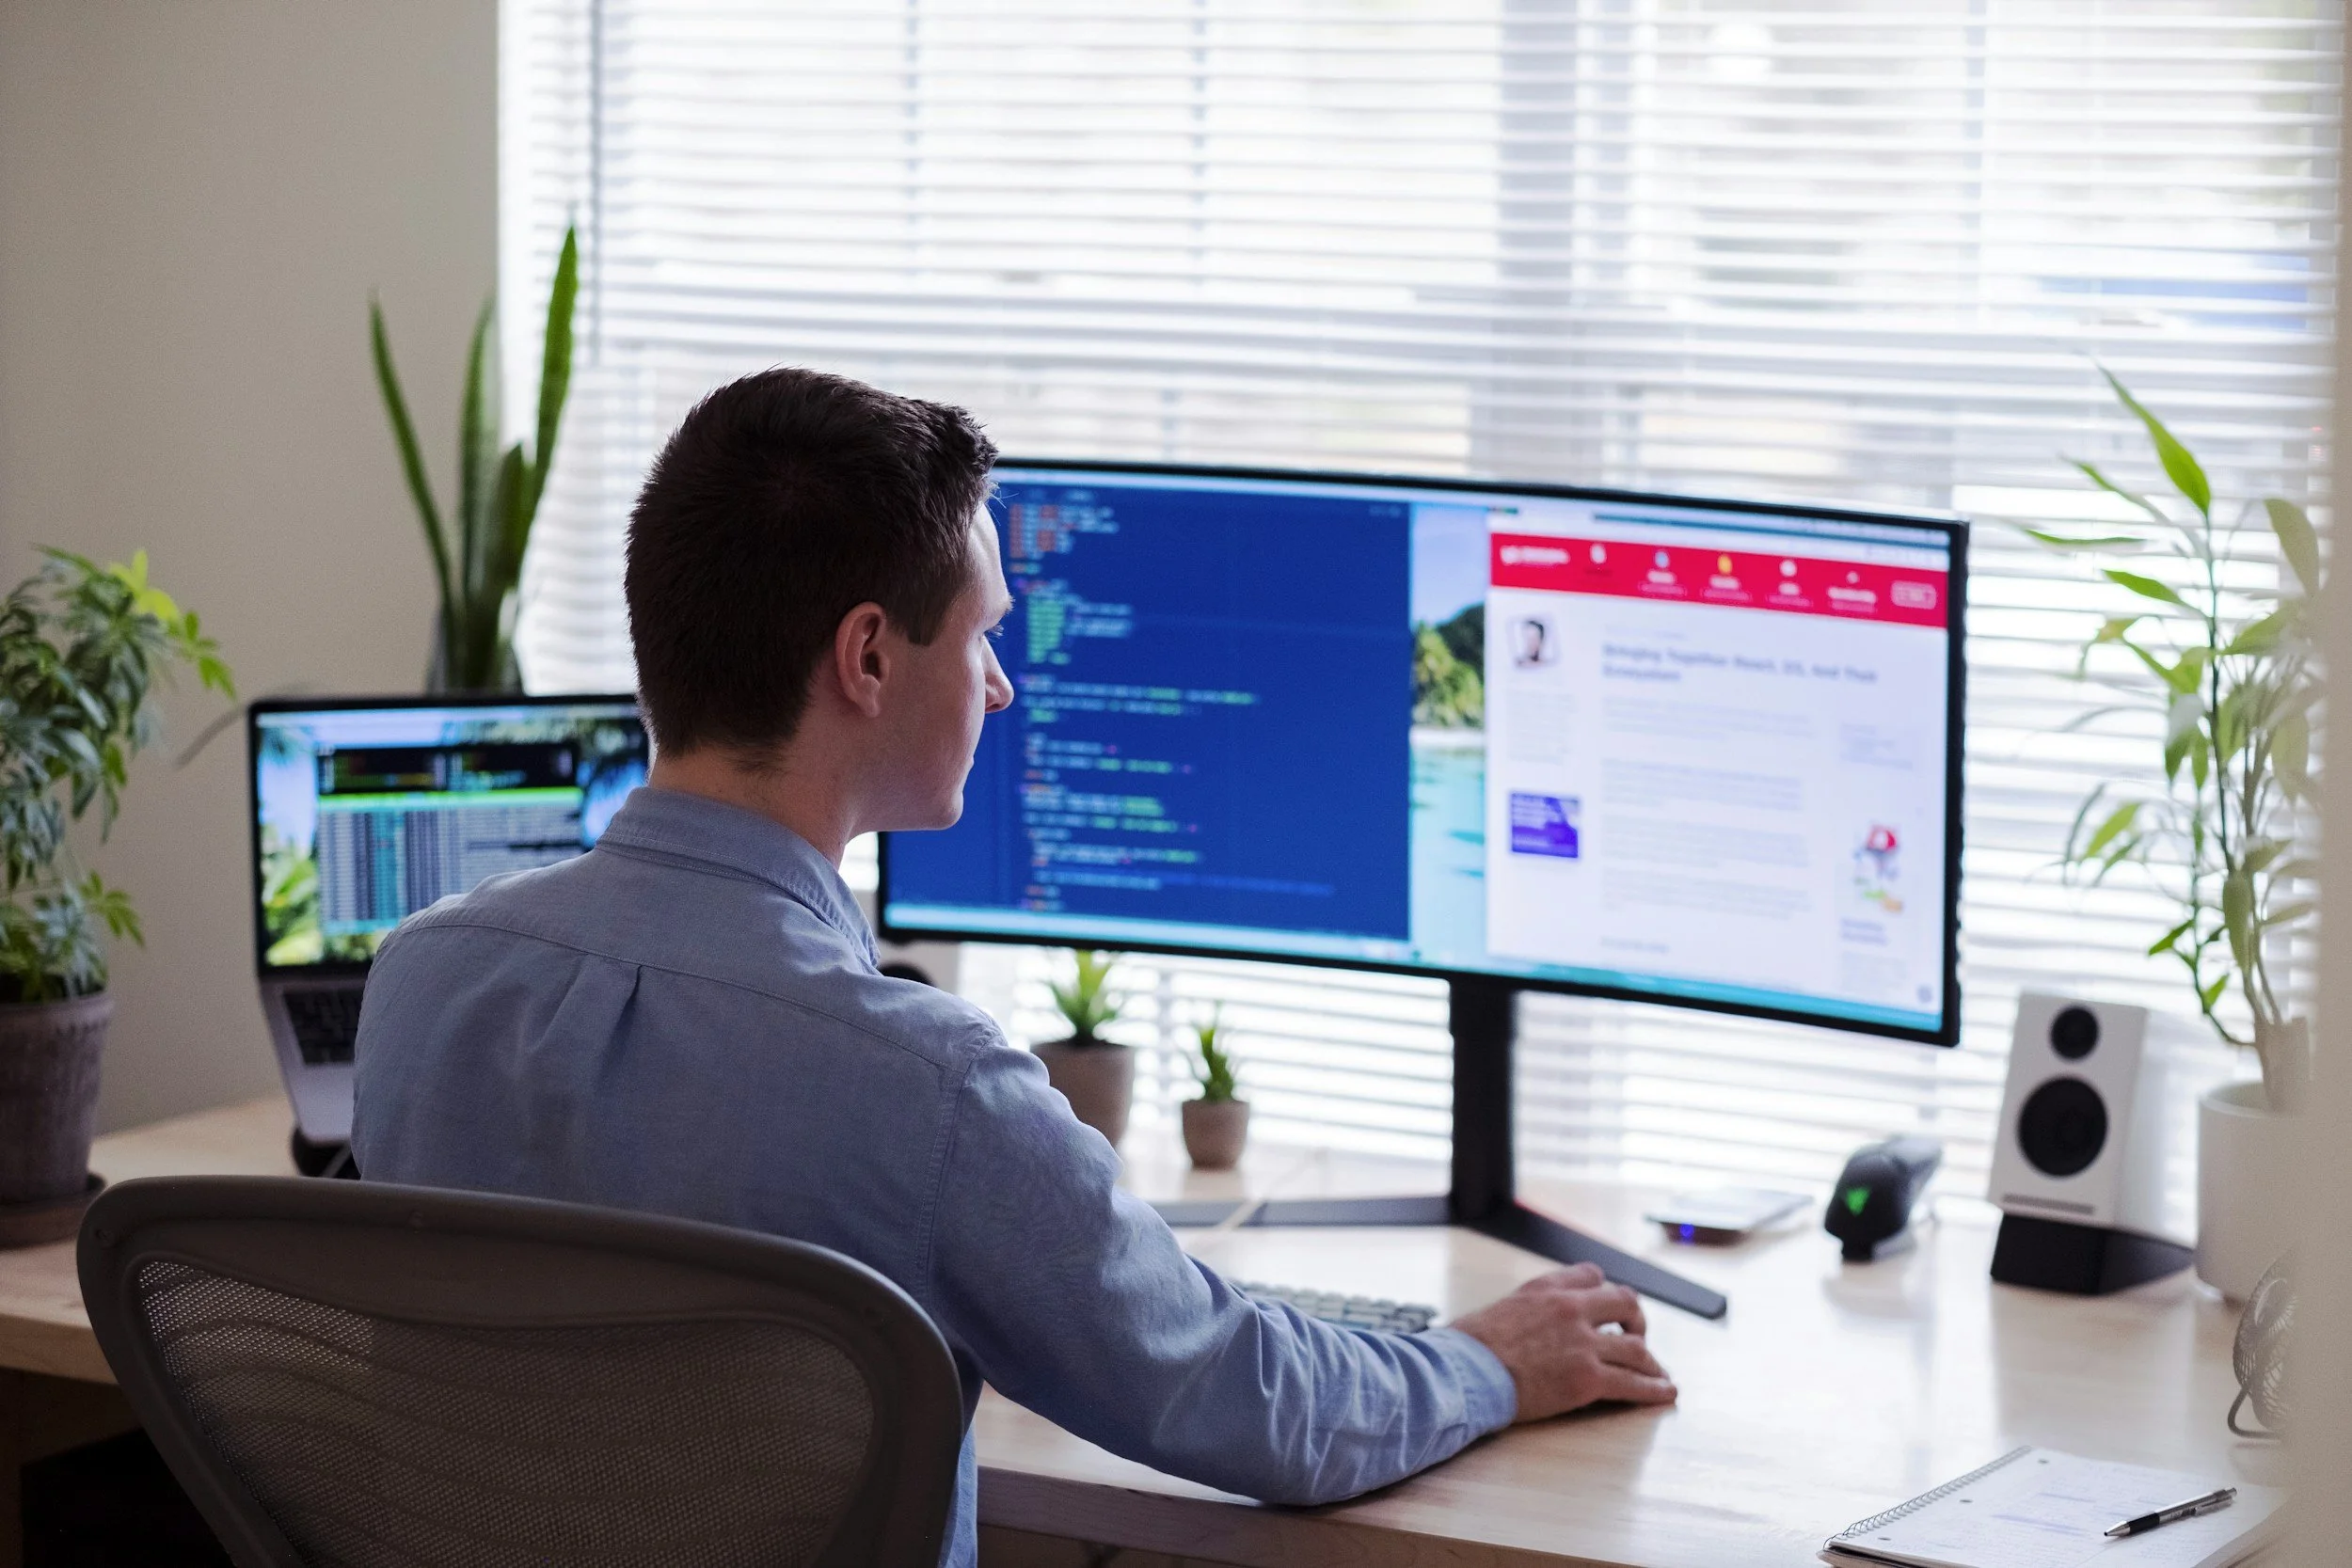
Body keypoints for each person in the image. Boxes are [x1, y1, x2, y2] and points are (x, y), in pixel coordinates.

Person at [352, 367, 1675, 1567]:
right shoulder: (921, 1084)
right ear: (869, 657)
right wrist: (1487, 1362)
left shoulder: (420, 982)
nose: (1001, 688)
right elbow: (1244, 1398)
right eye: (983, 636)